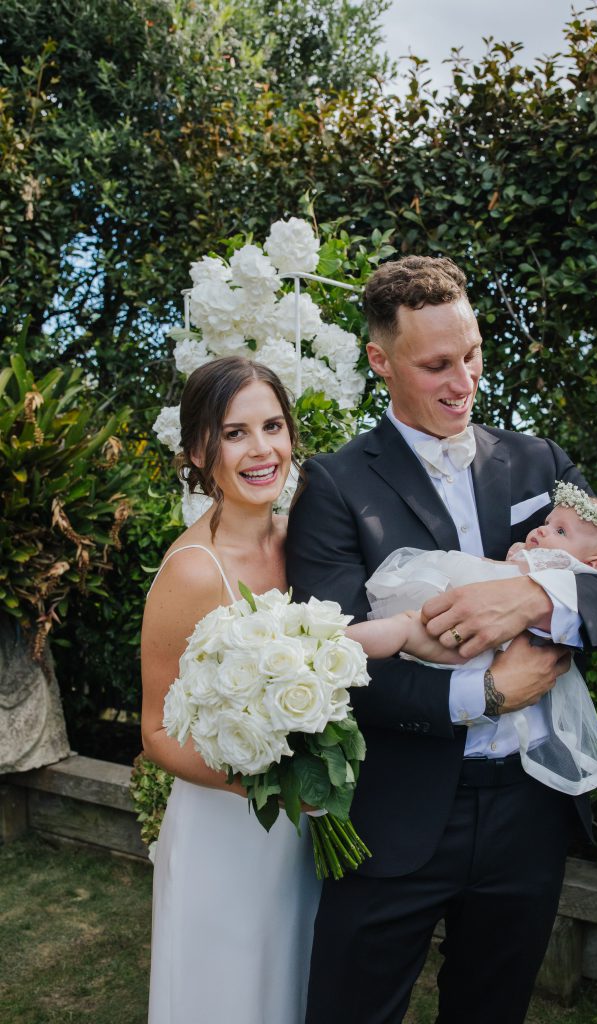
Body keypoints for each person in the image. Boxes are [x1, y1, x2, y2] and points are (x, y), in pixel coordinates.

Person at [285, 255, 597, 1024]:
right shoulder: (333, 485)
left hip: (529, 811)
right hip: (396, 811)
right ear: (380, 361)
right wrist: (481, 693)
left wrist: (531, 595)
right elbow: (333, 658)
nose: (464, 382)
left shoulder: (538, 462)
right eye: (436, 366)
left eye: (472, 354)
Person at [141, 354, 461, 1024]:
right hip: (229, 827)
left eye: (273, 426)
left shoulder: (306, 540)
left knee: (305, 990)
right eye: (234, 433)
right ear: (197, 450)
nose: (262, 450)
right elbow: (157, 733)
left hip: (306, 829)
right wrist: (275, 785)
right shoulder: (192, 572)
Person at [365, 485, 597, 797]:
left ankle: (346, 641)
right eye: (547, 522)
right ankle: (338, 642)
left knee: (408, 629)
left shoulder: (565, 566)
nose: (542, 530)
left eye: (560, 531)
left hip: (526, 774)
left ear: (593, 564)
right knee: (408, 627)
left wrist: (536, 599)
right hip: (421, 768)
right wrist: (478, 692)